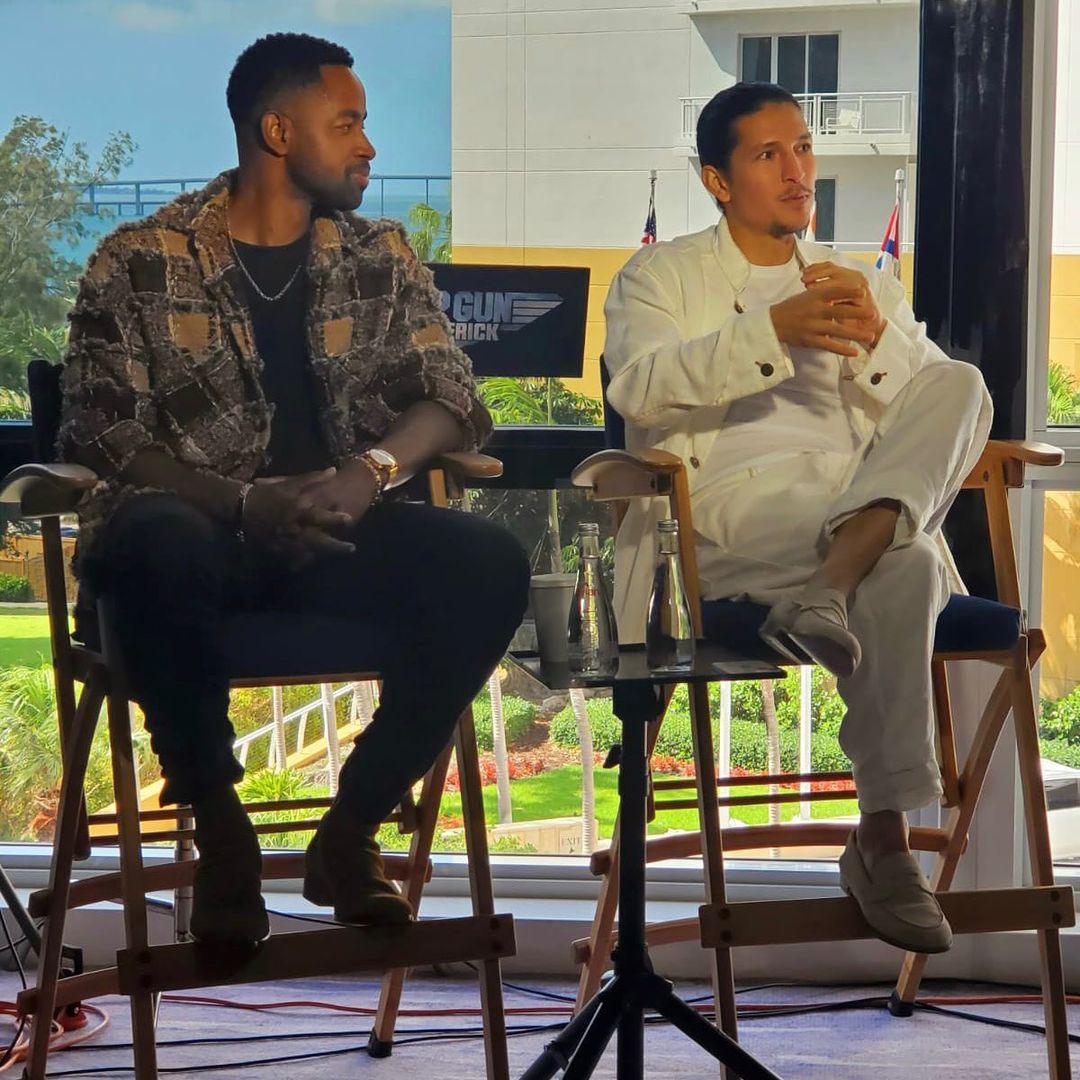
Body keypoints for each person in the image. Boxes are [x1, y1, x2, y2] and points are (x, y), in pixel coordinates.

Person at [59, 32, 529, 945]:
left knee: (489, 563)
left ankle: (351, 830)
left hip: (339, 535)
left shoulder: (380, 255)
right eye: (346, 124)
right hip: (195, 551)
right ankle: (224, 843)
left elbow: (450, 396)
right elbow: (105, 435)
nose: (369, 145)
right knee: (152, 538)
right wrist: (243, 503)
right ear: (278, 132)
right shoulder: (140, 258)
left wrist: (367, 474)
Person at [603, 82, 992, 954]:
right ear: (717, 180)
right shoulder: (660, 277)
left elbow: (940, 416)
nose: (797, 171)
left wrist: (879, 337)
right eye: (769, 154)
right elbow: (638, 390)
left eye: (804, 148)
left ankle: (833, 592)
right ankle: (885, 842)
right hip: (730, 516)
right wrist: (773, 329)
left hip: (851, 507)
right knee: (910, 561)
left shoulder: (860, 281)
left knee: (961, 383)